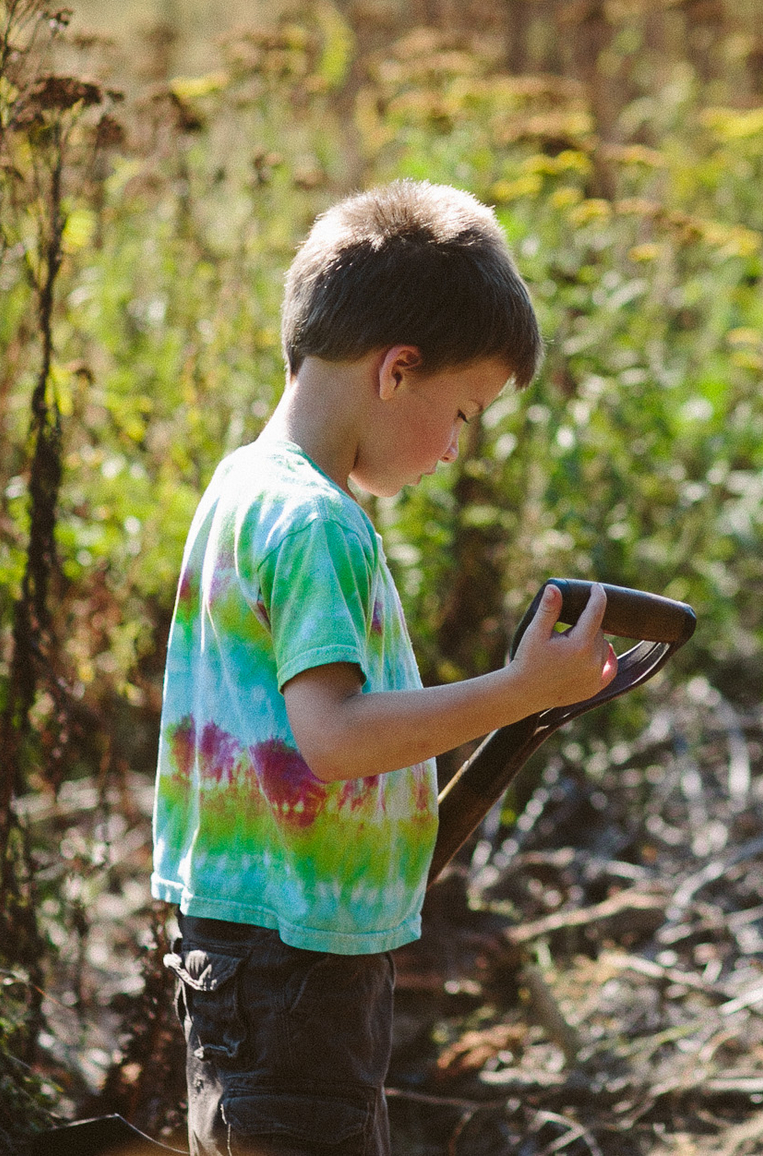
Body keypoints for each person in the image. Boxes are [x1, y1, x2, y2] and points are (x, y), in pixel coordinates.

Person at [151, 180, 616, 1156]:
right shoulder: (320, 522)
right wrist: (520, 688)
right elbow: (333, 738)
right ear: (398, 369)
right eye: (464, 411)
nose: (454, 448)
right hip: (295, 975)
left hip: (253, 964)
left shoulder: (246, 485)